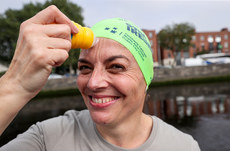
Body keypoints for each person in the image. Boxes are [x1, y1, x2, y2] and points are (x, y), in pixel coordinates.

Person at [0, 5, 200, 151]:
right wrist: (16, 86)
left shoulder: (184, 146)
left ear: (146, 78)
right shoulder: (47, 139)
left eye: (116, 67)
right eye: (85, 68)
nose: (93, 83)